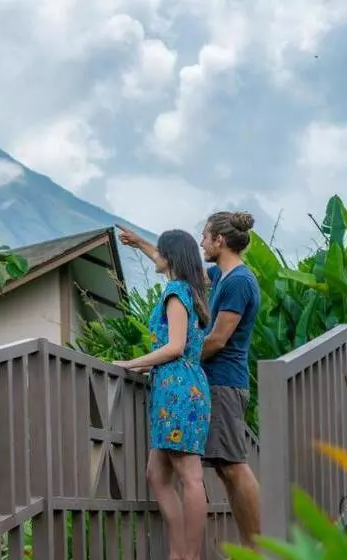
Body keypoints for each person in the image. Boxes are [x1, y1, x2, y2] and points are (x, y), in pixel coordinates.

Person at [118, 212, 261, 550]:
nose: (201, 243)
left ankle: (254, 551)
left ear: (219, 241)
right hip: (205, 379)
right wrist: (139, 243)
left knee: (232, 466)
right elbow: (176, 265)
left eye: (205, 236)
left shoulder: (239, 281)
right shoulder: (218, 275)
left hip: (223, 380)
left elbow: (218, 339)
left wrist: (176, 362)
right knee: (216, 469)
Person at [111, 229, 211, 560]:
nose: (157, 257)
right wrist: (138, 243)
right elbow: (161, 257)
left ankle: (189, 556)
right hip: (182, 385)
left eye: (160, 253)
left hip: (177, 388)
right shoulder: (190, 288)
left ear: (170, 258)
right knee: (157, 474)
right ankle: (179, 552)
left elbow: (175, 346)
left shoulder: (174, 293)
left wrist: (131, 363)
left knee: (189, 475)